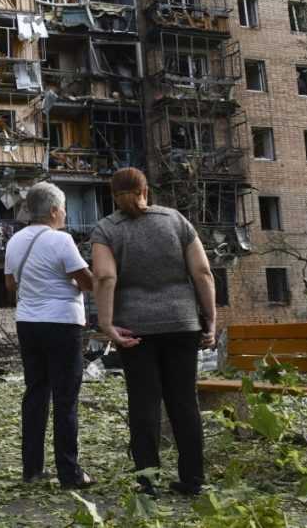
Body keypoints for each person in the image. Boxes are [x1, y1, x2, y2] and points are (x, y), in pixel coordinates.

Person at [90, 168, 217, 497]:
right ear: (147, 189)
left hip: (135, 328)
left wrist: (106, 324)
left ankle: (149, 483)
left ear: (112, 194)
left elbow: (104, 277)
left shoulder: (106, 229)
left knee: (144, 404)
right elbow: (203, 272)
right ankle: (192, 481)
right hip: (182, 323)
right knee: (184, 403)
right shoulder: (176, 220)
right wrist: (211, 319)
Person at [3, 182, 96, 488]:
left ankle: (32, 469)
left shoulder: (15, 241)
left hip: (28, 323)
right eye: (64, 208)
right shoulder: (62, 240)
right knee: (65, 398)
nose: (66, 214)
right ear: (55, 210)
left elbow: (10, 286)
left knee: (36, 393)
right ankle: (70, 473)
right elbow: (87, 282)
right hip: (62, 324)